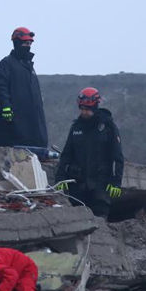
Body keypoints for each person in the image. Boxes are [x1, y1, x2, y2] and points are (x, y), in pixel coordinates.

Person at [55, 87, 125, 218]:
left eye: (87, 110)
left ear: (95, 107)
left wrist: (116, 182)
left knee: (99, 221)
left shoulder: (107, 127)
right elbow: (66, 155)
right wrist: (60, 177)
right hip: (77, 185)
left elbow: (117, 156)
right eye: (82, 109)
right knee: (75, 220)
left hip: (100, 184)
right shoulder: (76, 127)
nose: (84, 112)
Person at [0, 27, 48, 148]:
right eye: (25, 43)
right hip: (15, 126)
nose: (28, 46)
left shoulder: (29, 67)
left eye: (29, 43)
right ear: (17, 43)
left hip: (33, 125)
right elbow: (0, 88)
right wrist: (5, 106)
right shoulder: (6, 64)